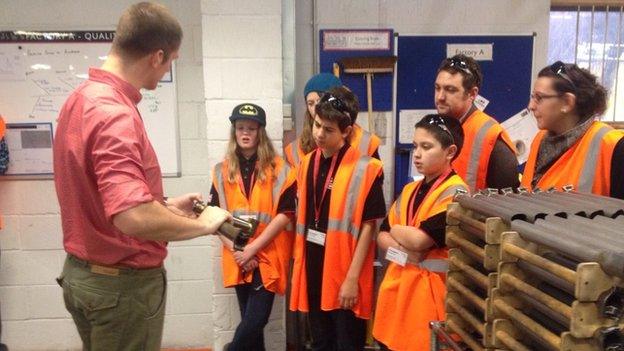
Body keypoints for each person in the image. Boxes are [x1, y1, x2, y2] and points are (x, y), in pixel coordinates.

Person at [52, 3, 230, 350]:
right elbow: (131, 216)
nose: (166, 71)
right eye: (171, 61)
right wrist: (204, 224)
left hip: (85, 276)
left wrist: (164, 206)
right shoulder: (114, 114)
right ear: (157, 56)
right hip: (120, 289)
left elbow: (100, 193)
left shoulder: (80, 100)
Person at [289, 86, 386, 351]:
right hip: (314, 268)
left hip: (345, 273)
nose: (319, 134)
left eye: (328, 129)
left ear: (347, 131)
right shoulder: (307, 163)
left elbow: (369, 227)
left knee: (347, 343)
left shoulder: (367, 168)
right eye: (317, 125)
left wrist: (352, 279)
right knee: (321, 342)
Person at [373, 114, 468, 351]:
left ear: (450, 152)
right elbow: (381, 236)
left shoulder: (457, 194)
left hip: (428, 305)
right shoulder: (409, 190)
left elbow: (418, 240)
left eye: (426, 147)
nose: (416, 154)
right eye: (415, 146)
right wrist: (404, 248)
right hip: (396, 299)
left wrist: (395, 229)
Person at [208, 103, 297, 351]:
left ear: (261, 132)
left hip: (268, 254)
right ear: (234, 131)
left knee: (255, 320)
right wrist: (240, 251)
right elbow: (213, 218)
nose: (245, 133)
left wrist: (253, 248)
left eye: (251, 128)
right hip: (238, 256)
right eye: (240, 128)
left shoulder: (280, 169)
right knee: (252, 327)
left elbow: (285, 214)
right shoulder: (221, 171)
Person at [522, 61, 624, 198]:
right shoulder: (540, 140)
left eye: (539, 98)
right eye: (532, 97)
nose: (531, 106)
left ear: (567, 102)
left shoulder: (613, 146)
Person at [434, 54, 518, 191]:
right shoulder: (439, 130)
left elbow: (507, 205)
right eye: (437, 88)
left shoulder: (491, 137)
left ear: (472, 94)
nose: (440, 97)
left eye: (450, 90)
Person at [284, 73, 381, 168]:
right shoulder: (296, 150)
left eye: (320, 101)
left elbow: (374, 179)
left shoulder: (365, 142)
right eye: (310, 103)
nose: (315, 109)